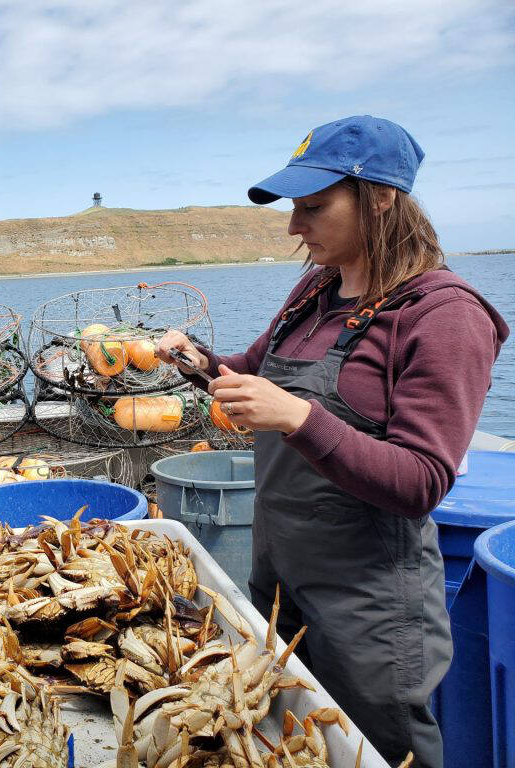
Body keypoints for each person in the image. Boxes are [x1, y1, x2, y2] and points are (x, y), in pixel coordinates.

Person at [158, 116, 508, 767]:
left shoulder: (445, 315)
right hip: (280, 581)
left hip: (371, 613)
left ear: (380, 198)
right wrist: (196, 362)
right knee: (293, 743)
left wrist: (297, 418)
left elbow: (422, 480)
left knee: (382, 753)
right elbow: (251, 375)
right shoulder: (316, 288)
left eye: (314, 206)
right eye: (295, 206)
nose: (295, 225)